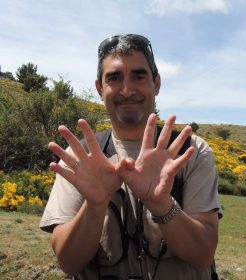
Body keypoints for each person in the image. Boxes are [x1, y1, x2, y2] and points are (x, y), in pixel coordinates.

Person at [40, 34, 222, 280]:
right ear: (99, 89)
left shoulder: (191, 152)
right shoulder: (78, 158)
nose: (127, 89)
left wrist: (162, 205)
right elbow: (69, 263)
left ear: (156, 83)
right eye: (114, 78)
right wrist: (94, 206)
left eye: (139, 75)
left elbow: (202, 256)